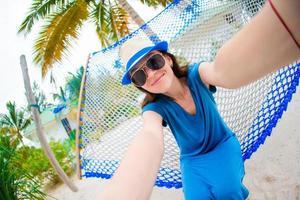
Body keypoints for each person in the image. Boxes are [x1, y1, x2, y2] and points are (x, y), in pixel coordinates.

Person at [98, 0, 299, 199]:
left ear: (167, 58)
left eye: (154, 61)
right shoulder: (154, 108)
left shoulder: (197, 74)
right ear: (139, 85)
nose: (150, 74)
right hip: (193, 161)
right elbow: (150, 136)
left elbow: (220, 72)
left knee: (227, 191)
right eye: (139, 76)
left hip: (222, 143)